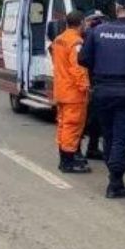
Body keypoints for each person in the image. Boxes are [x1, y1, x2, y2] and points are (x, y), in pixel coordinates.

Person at [79, 0, 125, 198]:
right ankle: (115, 182)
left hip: (102, 90)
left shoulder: (97, 31)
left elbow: (83, 59)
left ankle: (114, 178)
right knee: (122, 137)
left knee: (109, 134)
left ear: (116, 7)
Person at [52, 10, 91, 173]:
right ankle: (68, 162)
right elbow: (78, 68)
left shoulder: (59, 39)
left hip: (61, 90)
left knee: (63, 125)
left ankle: (64, 158)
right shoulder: (76, 42)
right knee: (73, 126)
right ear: (81, 23)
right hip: (73, 93)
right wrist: (85, 87)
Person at [82, 10, 107, 161]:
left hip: (96, 82)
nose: (98, 23)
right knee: (86, 119)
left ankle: (92, 147)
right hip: (86, 83)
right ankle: (78, 150)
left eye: (100, 20)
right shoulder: (83, 37)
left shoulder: (99, 37)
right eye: (94, 20)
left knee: (96, 118)